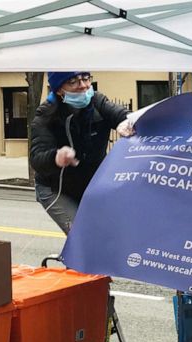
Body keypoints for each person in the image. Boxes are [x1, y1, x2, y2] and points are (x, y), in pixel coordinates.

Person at [29, 71, 134, 234]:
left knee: (111, 233)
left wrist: (127, 122)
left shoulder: (98, 102)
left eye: (85, 79)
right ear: (58, 90)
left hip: (92, 186)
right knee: (82, 237)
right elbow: (37, 158)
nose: (83, 85)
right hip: (57, 189)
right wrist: (56, 157)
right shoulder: (46, 114)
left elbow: (122, 116)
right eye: (73, 82)